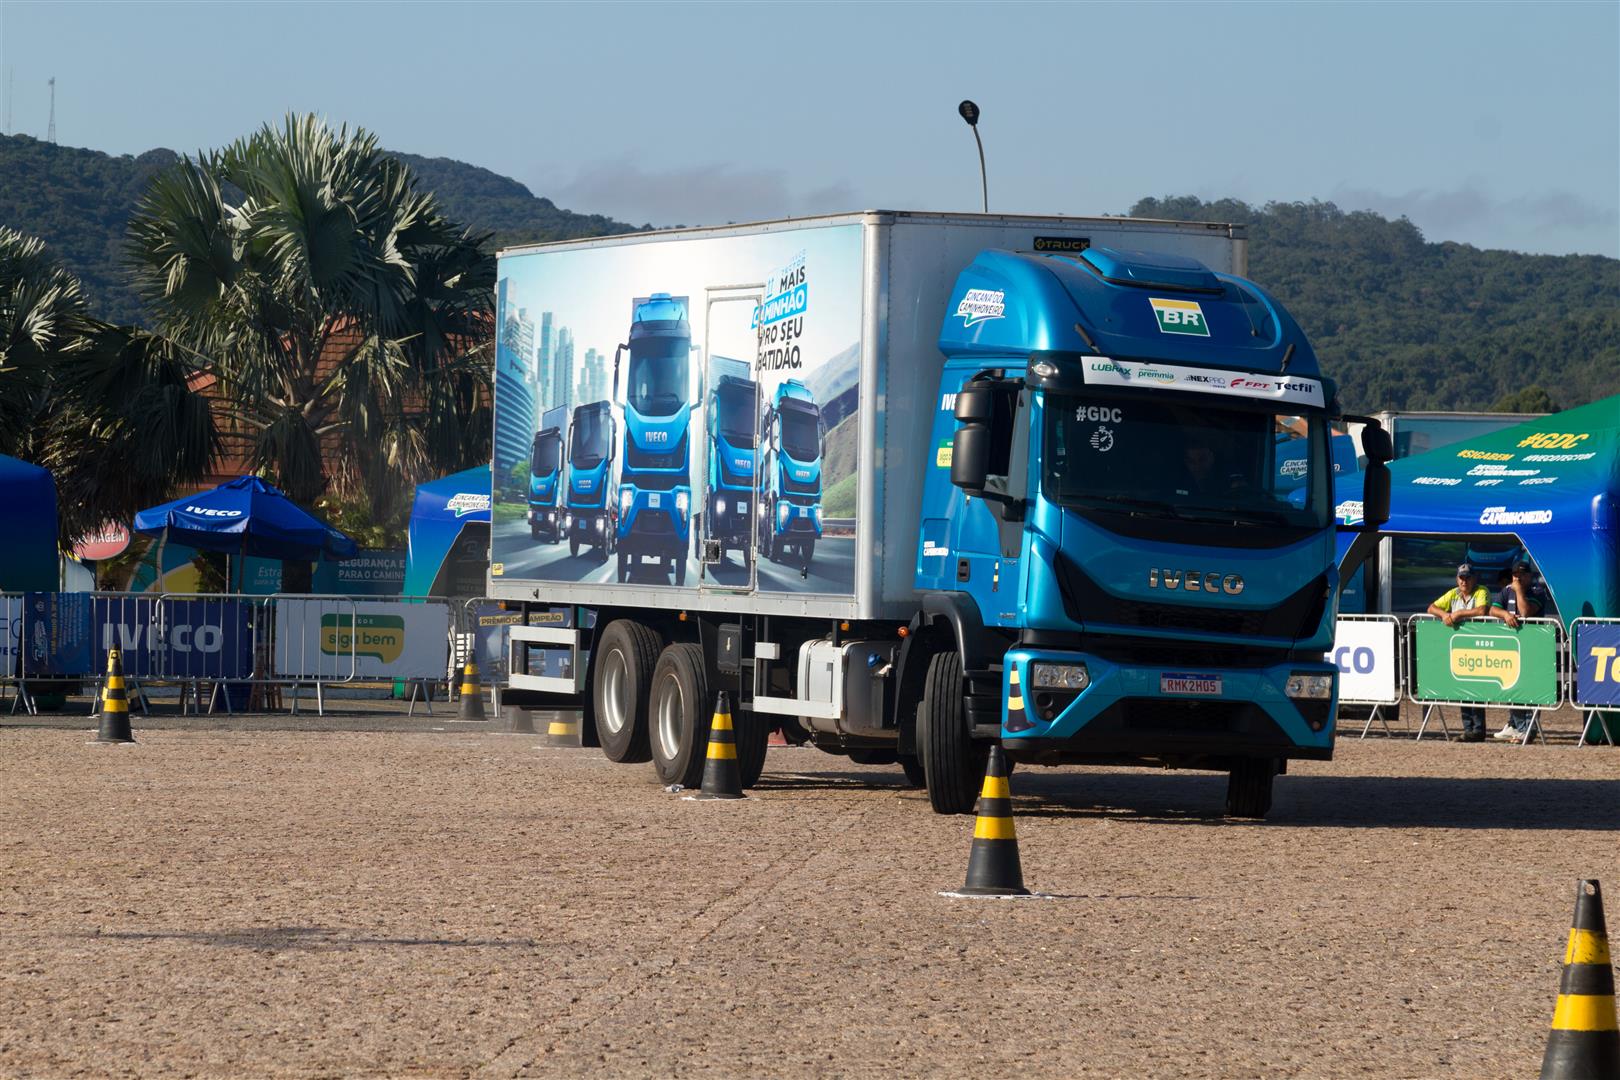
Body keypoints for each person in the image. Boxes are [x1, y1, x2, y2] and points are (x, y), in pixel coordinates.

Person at [1427, 563, 1492, 741]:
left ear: (1474, 579)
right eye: (1461, 578)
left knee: (1475, 687)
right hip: (1459, 648)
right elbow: (1431, 607)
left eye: (1468, 577)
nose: (1464, 581)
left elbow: (1482, 610)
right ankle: (1468, 728)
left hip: (1478, 646)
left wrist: (1459, 614)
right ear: (1457, 579)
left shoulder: (1481, 591)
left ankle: (1478, 729)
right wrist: (1444, 615)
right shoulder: (1453, 593)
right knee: (1461, 686)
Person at [1490, 560, 1547, 741]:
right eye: (1515, 574)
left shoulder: (1537, 591)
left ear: (1529, 576)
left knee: (1528, 689)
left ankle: (1528, 729)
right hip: (1512, 648)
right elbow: (1492, 610)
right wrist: (1505, 614)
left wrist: (1519, 590)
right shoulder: (1507, 591)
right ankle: (1515, 724)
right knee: (1512, 685)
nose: (1517, 578)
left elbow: (1526, 612)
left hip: (1532, 648)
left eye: (1522, 574)